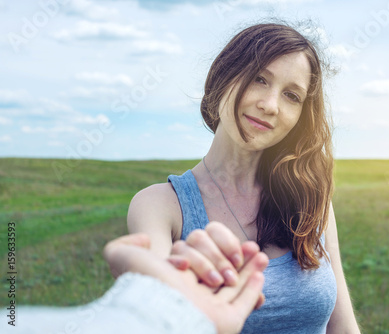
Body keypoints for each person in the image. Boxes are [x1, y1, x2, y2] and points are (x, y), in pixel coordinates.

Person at [127, 22, 361, 333]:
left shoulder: (311, 201)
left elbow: (343, 328)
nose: (270, 105)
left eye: (291, 95)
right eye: (259, 79)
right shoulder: (159, 206)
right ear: (224, 77)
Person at [3, 227, 268, 334]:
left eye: (293, 101)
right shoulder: (161, 199)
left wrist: (158, 305)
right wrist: (162, 303)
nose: (269, 105)